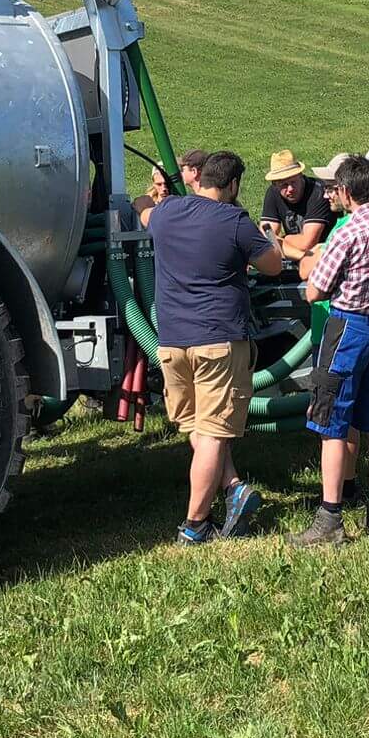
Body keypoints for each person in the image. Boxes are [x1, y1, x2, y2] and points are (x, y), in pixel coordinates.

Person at [146, 150, 283, 541]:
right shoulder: (234, 220)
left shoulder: (167, 212)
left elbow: (143, 212)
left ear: (199, 177)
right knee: (212, 432)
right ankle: (196, 524)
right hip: (218, 339)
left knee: (194, 425)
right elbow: (272, 265)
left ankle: (234, 487)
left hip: (171, 341)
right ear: (234, 184)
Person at [297, 154, 369, 544]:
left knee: (331, 423)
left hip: (349, 328)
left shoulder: (346, 232)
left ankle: (329, 517)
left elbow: (315, 290)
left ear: (346, 192)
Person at [259, 149, 338, 257]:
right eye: (284, 185)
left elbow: (307, 243)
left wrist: (283, 239)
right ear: (275, 184)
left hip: (323, 257)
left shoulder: (319, 192)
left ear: (301, 175)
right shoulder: (273, 192)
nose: (290, 189)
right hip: (297, 257)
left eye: (293, 182)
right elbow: (265, 237)